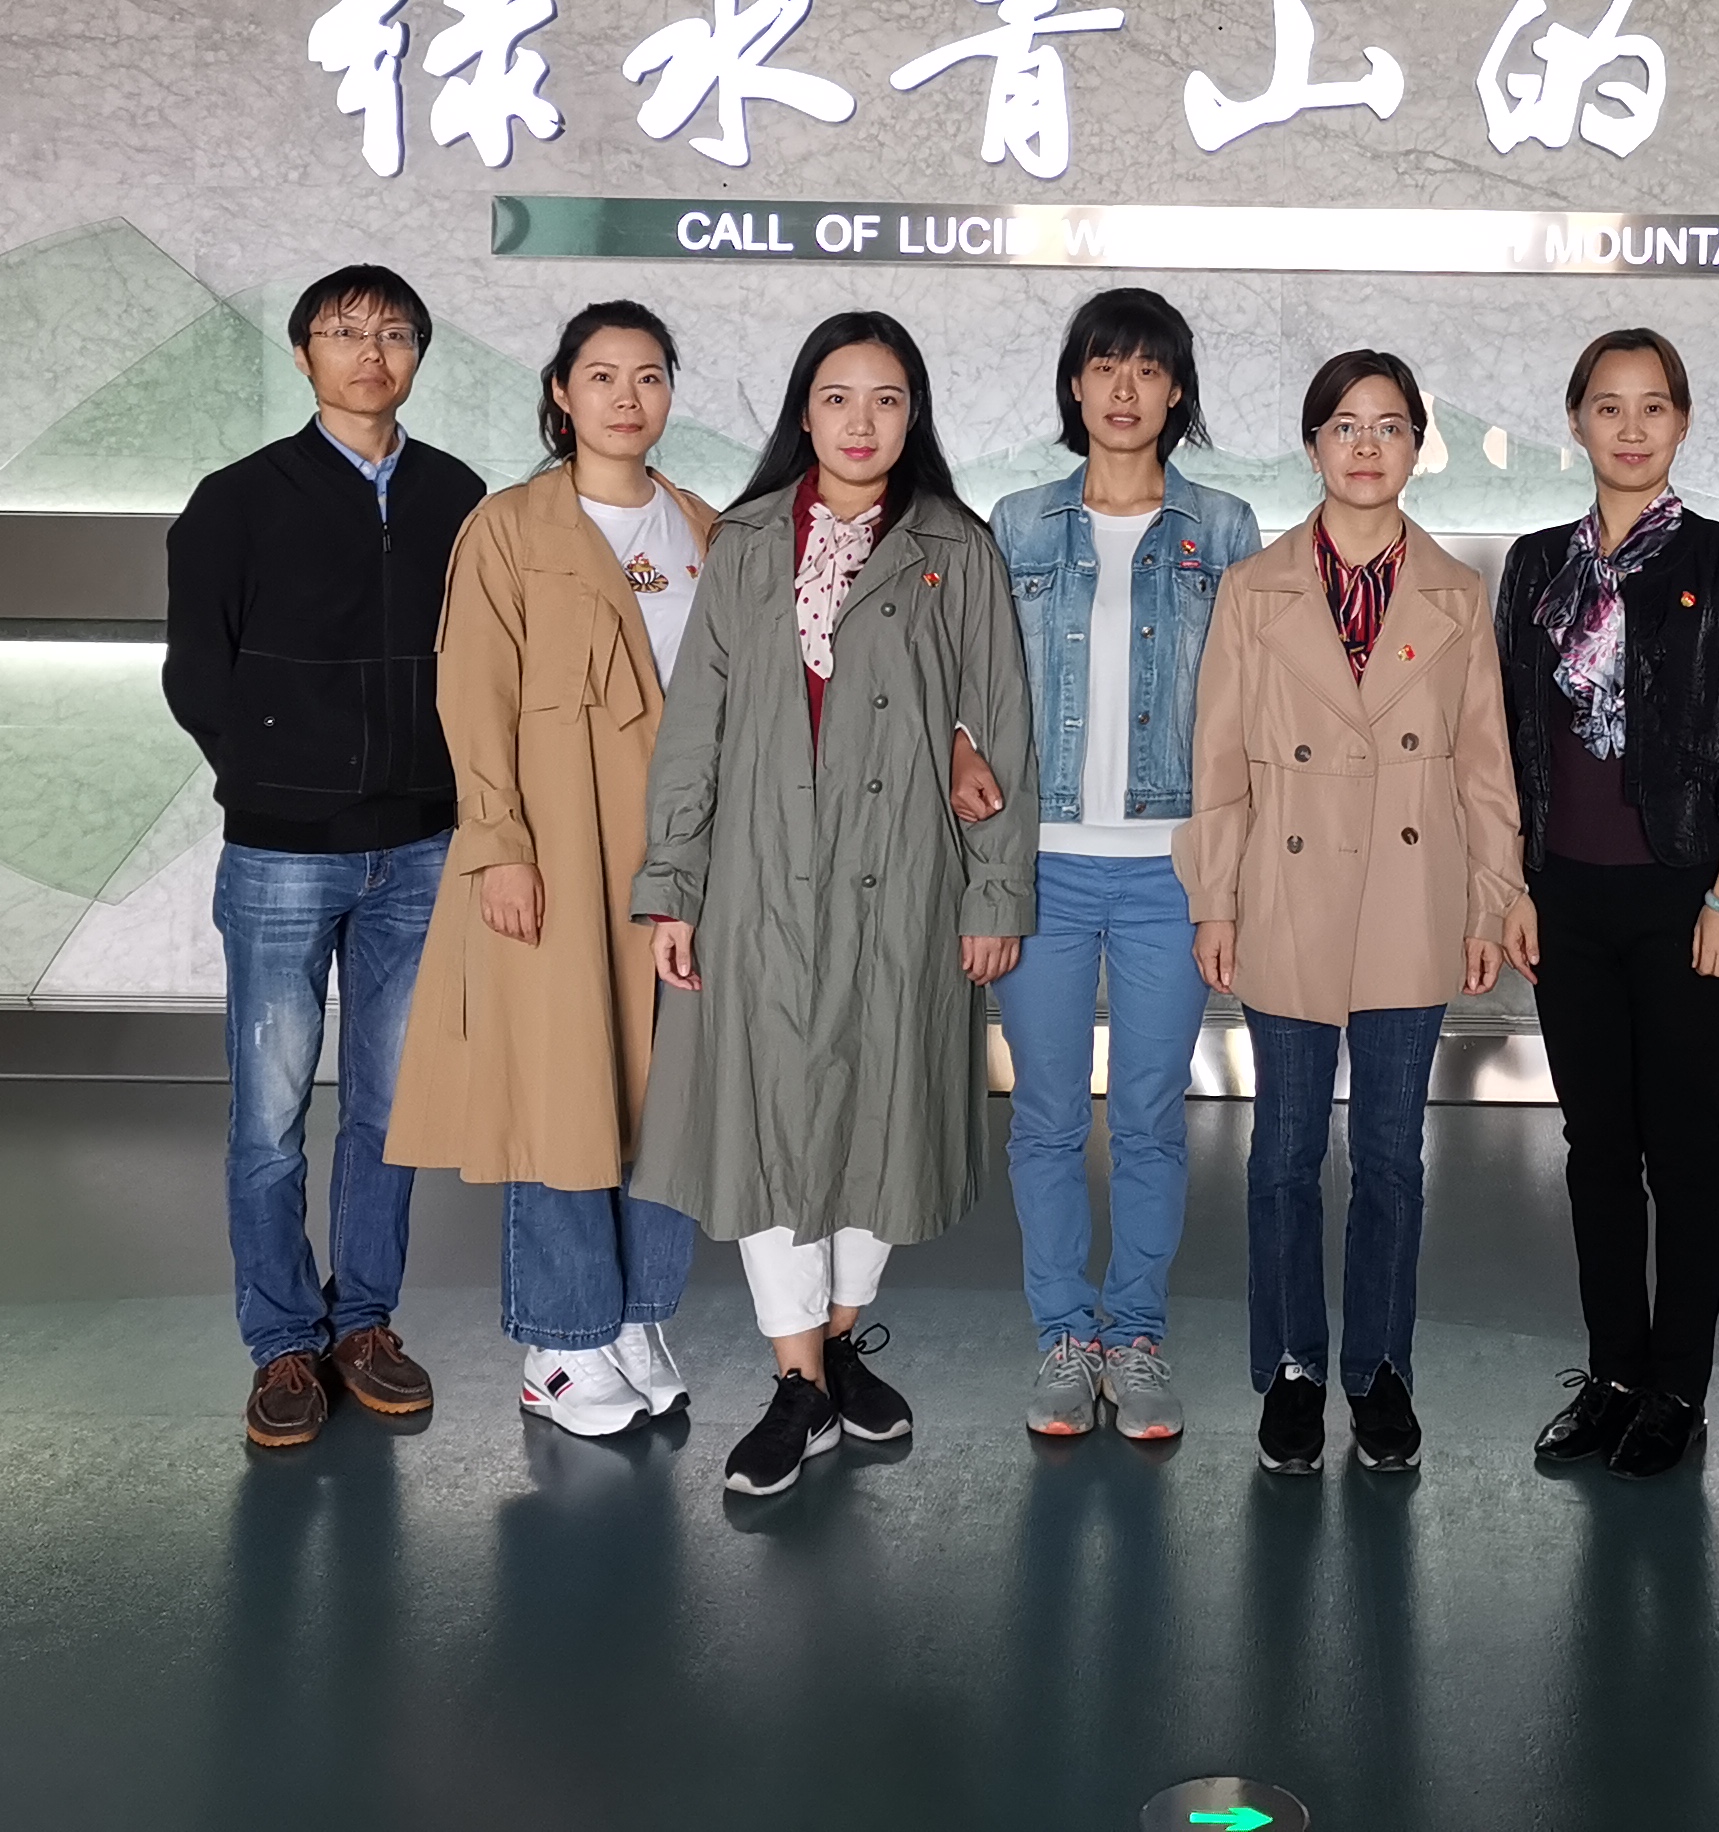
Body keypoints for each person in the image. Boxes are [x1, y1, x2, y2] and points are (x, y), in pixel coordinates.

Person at [628, 311, 1038, 1498]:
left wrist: (996, 891)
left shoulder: (956, 547)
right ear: (804, 413)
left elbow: (1003, 729)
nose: (863, 422)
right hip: (759, 878)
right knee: (766, 1121)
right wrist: (672, 886)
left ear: (915, 417)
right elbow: (695, 727)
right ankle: (798, 1379)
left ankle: (840, 1342)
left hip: (905, 877)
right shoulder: (749, 540)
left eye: (888, 399)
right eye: (839, 397)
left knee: (882, 1114)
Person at [1183, 346, 1528, 1477]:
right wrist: (1214, 899)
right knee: (1283, 1153)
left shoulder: (1456, 594)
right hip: (1284, 894)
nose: (1367, 445)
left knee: (1390, 1158)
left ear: (1419, 445)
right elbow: (1219, 763)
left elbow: (1485, 770)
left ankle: (1380, 1372)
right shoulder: (1254, 590)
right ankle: (1292, 1369)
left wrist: (1491, 899)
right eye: (1344, 425)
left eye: (1389, 426)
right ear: (1313, 445)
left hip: (1412, 898)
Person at [162, 265, 486, 1451]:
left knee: (391, 1111)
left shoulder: (458, 495)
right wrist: (270, 773)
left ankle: (365, 1325)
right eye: (344, 333)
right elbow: (197, 671)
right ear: (303, 356)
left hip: (422, 846)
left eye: (393, 333)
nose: (370, 352)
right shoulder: (238, 499)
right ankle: (282, 1343)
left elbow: (483, 660)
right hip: (284, 854)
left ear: (418, 357)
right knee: (269, 1116)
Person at [383, 301, 714, 1439]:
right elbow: (471, 691)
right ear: (562, 394)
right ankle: (562, 1344)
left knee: (671, 1093)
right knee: (562, 1083)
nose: (628, 397)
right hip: (560, 851)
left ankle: (639, 1317)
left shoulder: (705, 528)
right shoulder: (510, 527)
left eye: (650, 375)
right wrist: (499, 844)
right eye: (603, 375)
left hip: (680, 857)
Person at [1499, 328, 1719, 1480]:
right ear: (1576, 421)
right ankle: (1615, 1373)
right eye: (1608, 406)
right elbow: (1503, 740)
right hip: (1564, 896)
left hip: (1686, 895)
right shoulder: (1534, 565)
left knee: (1684, 1144)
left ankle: (1678, 1388)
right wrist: (1511, 884)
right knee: (1595, 1146)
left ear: (1682, 422)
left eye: (1653, 406)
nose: (1630, 427)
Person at [990, 289, 1264, 1445]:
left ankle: (1135, 1336)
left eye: (1148, 370)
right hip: (1043, 865)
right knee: (1049, 1115)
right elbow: (976, 696)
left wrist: (1230, 878)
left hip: (1170, 869)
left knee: (1151, 1114)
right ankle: (1064, 1336)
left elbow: (1249, 714)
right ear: (1075, 383)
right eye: (1105, 366)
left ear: (1177, 391)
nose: (1123, 389)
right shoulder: (1016, 524)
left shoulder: (1225, 529)